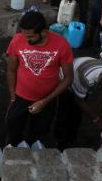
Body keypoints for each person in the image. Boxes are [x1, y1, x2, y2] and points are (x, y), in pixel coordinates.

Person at [5, 9, 74, 146]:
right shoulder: (18, 40)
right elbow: (11, 70)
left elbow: (68, 79)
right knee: (13, 130)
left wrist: (45, 101)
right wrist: (13, 97)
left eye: (30, 37)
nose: (26, 39)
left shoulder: (62, 45)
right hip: (20, 98)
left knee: (38, 134)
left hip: (47, 101)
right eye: (24, 35)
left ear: (43, 32)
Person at [53, 57, 102, 150]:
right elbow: (79, 100)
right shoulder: (87, 78)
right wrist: (95, 118)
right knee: (65, 110)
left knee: (77, 113)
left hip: (83, 75)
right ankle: (59, 141)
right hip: (67, 77)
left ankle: (71, 138)